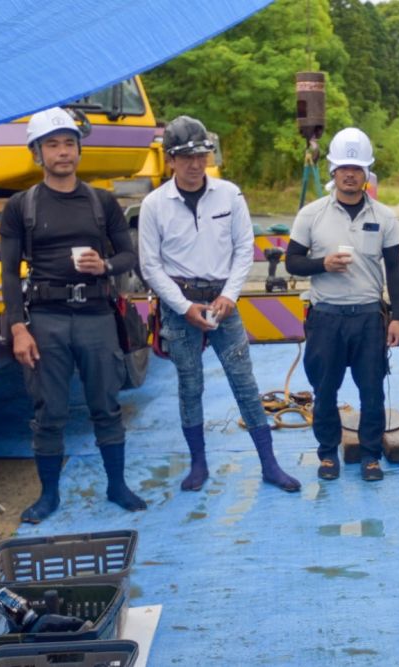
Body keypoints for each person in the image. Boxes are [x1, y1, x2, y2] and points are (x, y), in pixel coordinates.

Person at [0, 107, 147, 523]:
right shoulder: (21, 206)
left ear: (79, 150)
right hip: (45, 318)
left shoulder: (101, 203)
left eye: (69, 143)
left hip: (96, 316)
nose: (63, 152)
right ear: (37, 153)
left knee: (106, 404)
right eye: (53, 145)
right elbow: (10, 274)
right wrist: (18, 328)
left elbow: (128, 255)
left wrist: (105, 266)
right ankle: (49, 495)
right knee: (50, 410)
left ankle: (117, 486)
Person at [139, 116, 300, 493]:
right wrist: (182, 307)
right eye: (185, 157)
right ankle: (198, 464)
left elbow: (244, 248)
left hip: (224, 303)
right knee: (189, 386)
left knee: (245, 383)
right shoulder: (154, 205)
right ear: (170, 161)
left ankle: (270, 464)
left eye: (201, 155)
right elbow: (150, 264)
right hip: (181, 308)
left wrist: (230, 294)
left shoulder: (230, 194)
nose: (195, 164)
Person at [285, 127, 399, 482]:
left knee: (371, 390)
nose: (350, 174)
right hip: (326, 318)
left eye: (357, 168)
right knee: (325, 391)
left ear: (367, 172)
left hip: (369, 317)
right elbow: (293, 261)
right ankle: (327, 454)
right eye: (343, 168)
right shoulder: (311, 214)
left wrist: (397, 318)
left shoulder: (384, 217)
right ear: (333, 171)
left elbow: (396, 270)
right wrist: (322, 264)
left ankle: (370, 455)